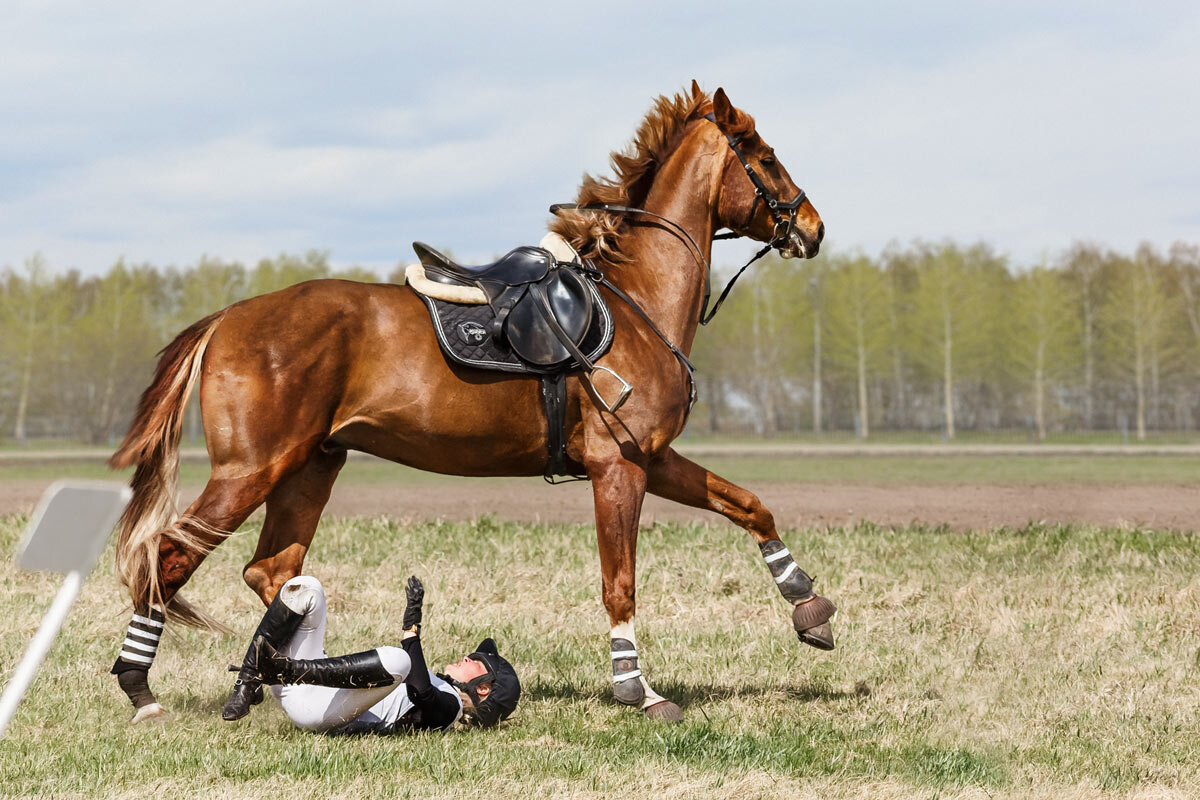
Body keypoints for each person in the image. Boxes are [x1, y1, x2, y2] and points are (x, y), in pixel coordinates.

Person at [221, 574, 520, 733]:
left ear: (482, 689)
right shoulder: (442, 687)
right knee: (306, 587)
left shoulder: (451, 710)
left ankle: (280, 670)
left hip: (318, 713)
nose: (468, 657)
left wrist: (411, 630)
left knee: (398, 660)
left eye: (476, 663)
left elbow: (421, 691)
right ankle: (248, 682)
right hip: (310, 687)